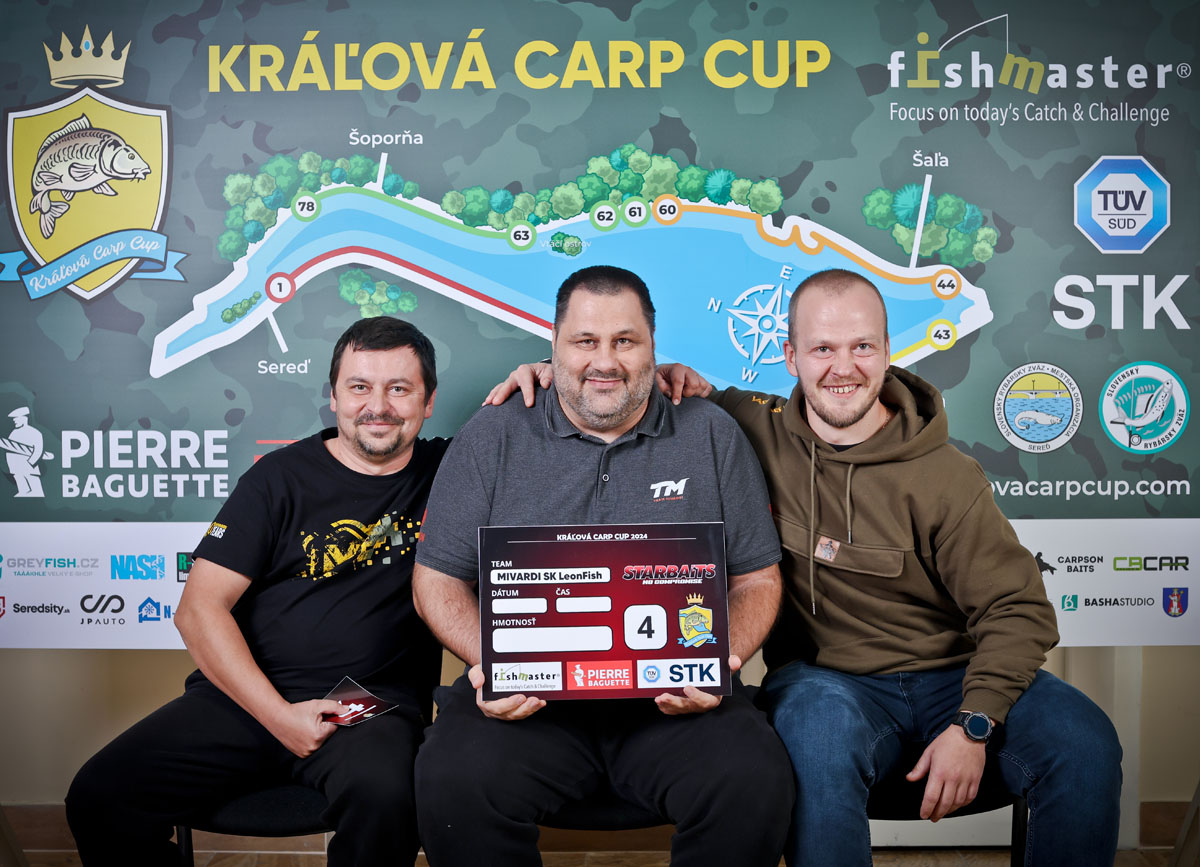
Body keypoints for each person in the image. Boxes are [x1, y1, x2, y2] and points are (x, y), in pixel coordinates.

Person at [490, 268, 1123, 866]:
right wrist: (552, 374)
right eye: (822, 349)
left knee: (1085, 742)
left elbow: (1018, 610)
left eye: (862, 347)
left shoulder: (949, 476)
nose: (843, 368)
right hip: (828, 682)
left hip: (955, 676)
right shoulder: (746, 426)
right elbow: (620, 381)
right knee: (815, 736)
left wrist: (973, 724)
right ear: (791, 358)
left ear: (887, 351)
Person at [412, 265, 794, 867]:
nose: (605, 361)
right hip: (530, 705)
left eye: (625, 341)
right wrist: (493, 659)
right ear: (554, 345)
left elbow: (757, 579)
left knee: (754, 777)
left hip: (672, 702)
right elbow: (435, 580)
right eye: (585, 341)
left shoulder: (712, 433)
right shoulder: (492, 434)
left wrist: (725, 662)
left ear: (653, 347)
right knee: (451, 779)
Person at [66, 317, 448, 867]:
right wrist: (279, 716)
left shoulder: (453, 472)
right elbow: (198, 610)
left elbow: (550, 420)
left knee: (387, 797)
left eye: (399, 389)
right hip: (247, 697)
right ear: (334, 396)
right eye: (360, 387)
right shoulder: (277, 479)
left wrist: (538, 370)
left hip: (367, 706)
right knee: (99, 796)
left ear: (428, 401)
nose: (378, 406)